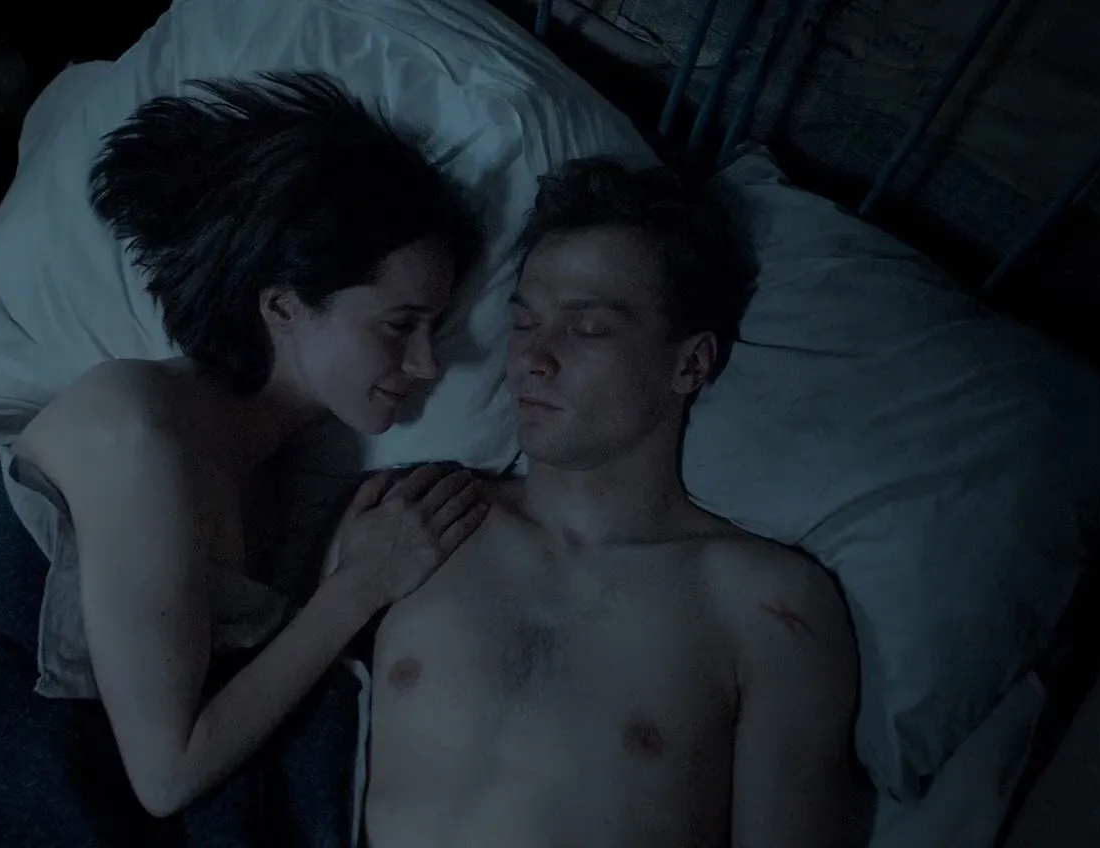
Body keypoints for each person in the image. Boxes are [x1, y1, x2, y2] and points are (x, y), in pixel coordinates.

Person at [11, 71, 492, 818]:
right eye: (400, 326)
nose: (429, 364)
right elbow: (166, 777)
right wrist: (358, 588)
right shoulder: (142, 435)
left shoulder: (268, 470)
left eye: (434, 328)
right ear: (283, 306)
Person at [347, 157, 864, 847]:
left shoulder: (766, 608)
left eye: (587, 328)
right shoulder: (415, 519)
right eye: (525, 322)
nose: (534, 358)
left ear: (690, 363)